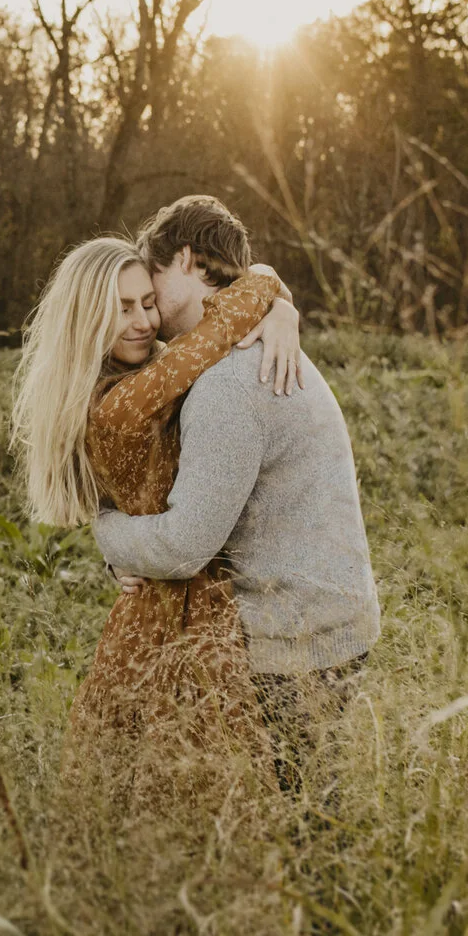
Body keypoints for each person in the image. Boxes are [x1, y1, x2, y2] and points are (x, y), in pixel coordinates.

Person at [93, 196, 380, 771]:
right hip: (329, 619)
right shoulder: (251, 337)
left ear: (186, 258)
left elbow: (184, 545)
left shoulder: (229, 379)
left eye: (152, 280)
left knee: (298, 821)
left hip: (296, 642)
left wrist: (108, 534)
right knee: (310, 811)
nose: (146, 311)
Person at [11, 234, 305, 760]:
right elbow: (218, 331)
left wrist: (282, 309)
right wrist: (275, 294)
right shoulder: (123, 402)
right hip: (180, 601)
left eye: (148, 302)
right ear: (86, 318)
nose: (145, 322)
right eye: (122, 309)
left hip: (170, 591)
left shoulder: (128, 377)